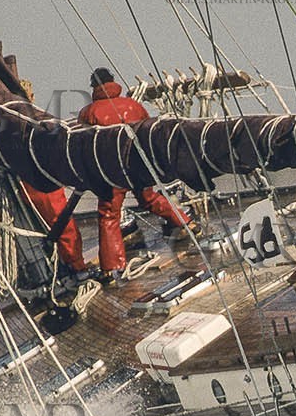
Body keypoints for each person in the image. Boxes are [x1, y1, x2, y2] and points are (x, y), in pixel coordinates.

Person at [77, 67, 194, 278]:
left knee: (109, 215)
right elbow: (148, 130)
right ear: (113, 82)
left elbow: (83, 145)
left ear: (94, 86)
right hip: (138, 166)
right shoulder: (134, 105)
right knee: (148, 197)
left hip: (111, 172)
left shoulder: (89, 113)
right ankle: (186, 222)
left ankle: (113, 267)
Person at [16, 76, 89, 277]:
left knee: (44, 228)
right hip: (44, 182)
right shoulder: (36, 120)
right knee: (65, 227)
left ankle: (60, 267)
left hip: (27, 184)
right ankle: (77, 268)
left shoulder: (9, 124)